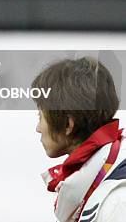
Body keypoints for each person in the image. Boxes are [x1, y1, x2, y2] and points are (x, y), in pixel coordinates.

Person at [33, 57, 126, 222]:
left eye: (40, 117)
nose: (38, 128)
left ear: (68, 124)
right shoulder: (102, 183)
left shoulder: (117, 202)